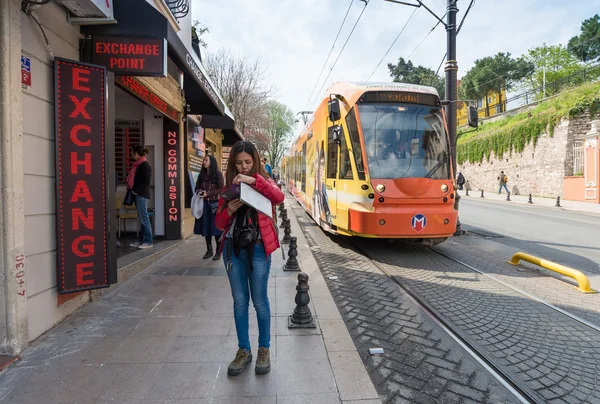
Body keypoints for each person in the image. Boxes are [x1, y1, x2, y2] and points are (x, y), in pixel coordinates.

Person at [215, 141, 284, 376]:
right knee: (239, 302)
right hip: (233, 250)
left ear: (255, 160)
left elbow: (279, 197)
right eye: (239, 163)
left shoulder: (265, 182)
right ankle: (244, 350)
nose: (244, 167)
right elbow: (219, 223)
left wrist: (254, 181)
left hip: (257, 250)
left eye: (248, 162)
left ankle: (264, 349)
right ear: (233, 164)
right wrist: (230, 210)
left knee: (260, 301)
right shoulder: (229, 186)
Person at [194, 155, 224, 260]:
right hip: (204, 205)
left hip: (214, 205)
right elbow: (196, 187)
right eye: (204, 160)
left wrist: (209, 194)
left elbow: (221, 189)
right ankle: (209, 250)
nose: (204, 162)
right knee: (206, 228)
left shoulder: (218, 174)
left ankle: (218, 251)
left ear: (212, 162)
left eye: (206, 160)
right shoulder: (201, 175)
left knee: (215, 229)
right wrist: (200, 192)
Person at [127, 145, 153, 249]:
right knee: (142, 219)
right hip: (139, 194)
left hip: (141, 195)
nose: (132, 155)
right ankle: (142, 240)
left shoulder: (144, 165)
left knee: (144, 219)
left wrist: (136, 190)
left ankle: (148, 241)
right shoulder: (138, 165)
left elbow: (146, 182)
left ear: (136, 154)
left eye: (132, 152)